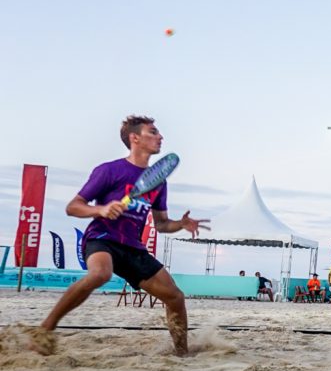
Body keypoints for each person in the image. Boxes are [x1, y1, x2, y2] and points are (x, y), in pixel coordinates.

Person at [35, 116, 208, 356]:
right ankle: (45, 329)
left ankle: (181, 353)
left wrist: (180, 224)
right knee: (100, 274)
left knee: (175, 297)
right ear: (134, 137)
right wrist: (100, 209)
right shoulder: (110, 170)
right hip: (102, 237)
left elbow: (161, 224)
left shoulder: (158, 181)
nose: (160, 137)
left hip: (132, 247)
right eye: (153, 132)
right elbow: (73, 206)